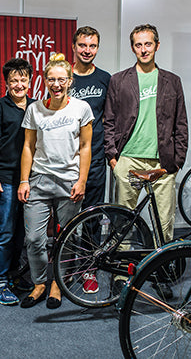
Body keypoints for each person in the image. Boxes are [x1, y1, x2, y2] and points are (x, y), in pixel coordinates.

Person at [103, 24, 188, 288]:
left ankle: (162, 273)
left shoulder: (172, 81)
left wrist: (177, 162)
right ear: (132, 48)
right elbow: (109, 120)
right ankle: (120, 272)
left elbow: (181, 123)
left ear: (157, 46)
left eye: (148, 44)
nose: (143, 49)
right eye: (138, 45)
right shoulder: (119, 80)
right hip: (128, 159)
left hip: (162, 164)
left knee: (164, 224)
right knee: (124, 221)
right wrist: (113, 157)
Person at [17, 53, 93, 309]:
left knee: (68, 239)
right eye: (52, 79)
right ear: (45, 80)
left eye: (62, 79)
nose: (56, 84)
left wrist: (82, 180)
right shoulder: (34, 109)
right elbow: (28, 147)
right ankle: (39, 283)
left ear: (70, 80)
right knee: (34, 239)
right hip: (39, 180)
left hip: (69, 182)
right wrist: (23, 181)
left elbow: (85, 147)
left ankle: (57, 284)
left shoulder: (81, 108)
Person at [0, 58, 36, 306]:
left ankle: (14, 276)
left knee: (20, 233)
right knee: (4, 231)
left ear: (30, 80)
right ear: (6, 82)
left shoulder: (37, 107)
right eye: (13, 80)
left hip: (29, 179)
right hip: (4, 178)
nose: (19, 84)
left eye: (23, 79)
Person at [69, 26, 111, 295]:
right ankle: (65, 264)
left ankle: (89, 268)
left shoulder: (105, 79)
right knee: (65, 218)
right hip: (65, 162)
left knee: (92, 219)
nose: (87, 50)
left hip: (95, 160)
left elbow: (112, 119)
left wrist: (111, 154)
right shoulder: (62, 76)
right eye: (83, 45)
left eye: (92, 46)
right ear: (74, 46)